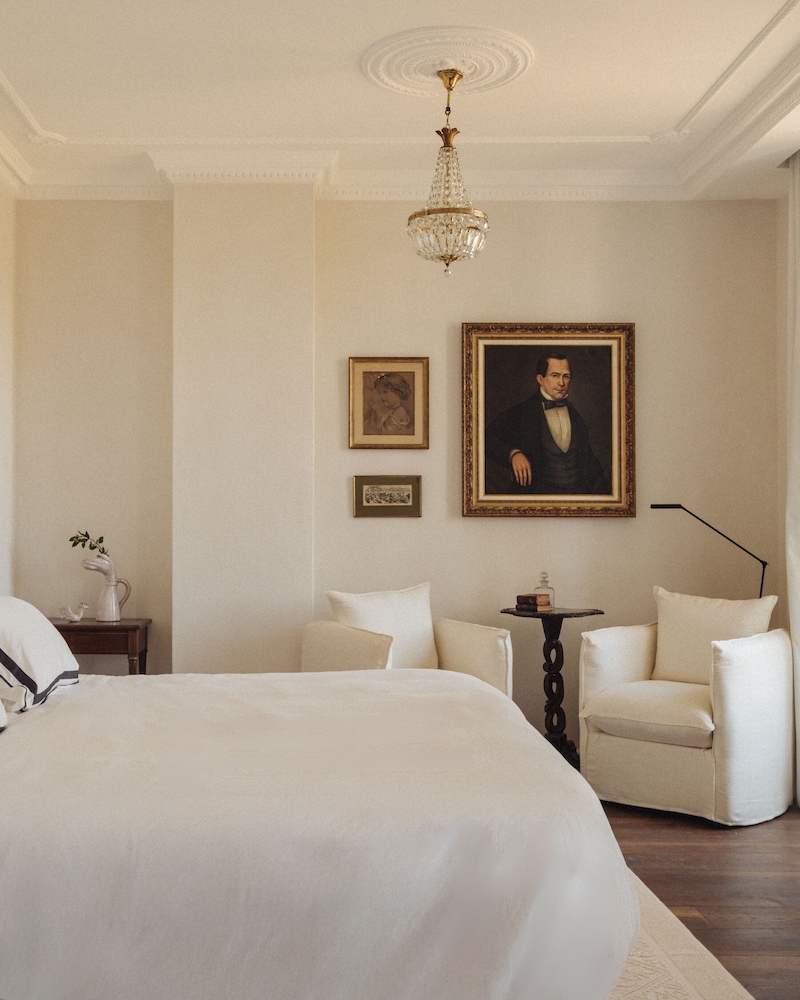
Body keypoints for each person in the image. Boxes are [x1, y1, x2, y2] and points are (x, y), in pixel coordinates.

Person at [484, 352, 609, 494]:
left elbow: (589, 462)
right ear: (540, 379)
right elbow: (486, 439)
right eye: (555, 375)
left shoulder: (576, 417)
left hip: (577, 493)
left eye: (566, 376)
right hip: (537, 493)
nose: (561, 383)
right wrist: (513, 454)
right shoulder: (521, 412)